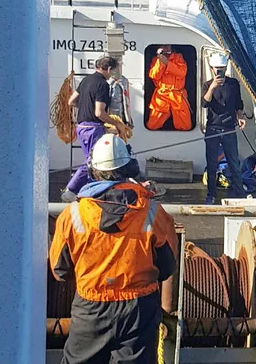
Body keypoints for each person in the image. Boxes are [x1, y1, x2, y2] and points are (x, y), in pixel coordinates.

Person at [50, 133, 177, 364]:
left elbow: (60, 270)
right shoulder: (152, 212)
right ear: (129, 167)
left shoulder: (73, 214)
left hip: (90, 309)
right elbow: (167, 267)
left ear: (93, 170)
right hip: (139, 310)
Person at [65, 56, 125, 200]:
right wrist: (117, 124)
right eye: (112, 71)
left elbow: (71, 101)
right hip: (93, 127)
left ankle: (88, 192)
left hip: (81, 126)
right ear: (109, 69)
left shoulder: (86, 80)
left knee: (92, 161)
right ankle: (71, 190)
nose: (111, 74)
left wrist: (86, 107)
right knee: (96, 162)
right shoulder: (103, 84)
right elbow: (99, 112)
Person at [201, 54, 246, 204]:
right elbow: (204, 104)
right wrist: (213, 87)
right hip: (213, 128)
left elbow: (238, 104)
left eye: (221, 69)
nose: (218, 72)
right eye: (216, 70)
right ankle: (211, 194)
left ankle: (240, 193)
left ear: (225, 69)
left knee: (234, 162)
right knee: (212, 163)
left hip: (229, 128)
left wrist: (240, 117)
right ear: (212, 69)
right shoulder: (208, 85)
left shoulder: (233, 84)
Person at [146, 45, 191, 131]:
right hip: (162, 95)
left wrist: (167, 63)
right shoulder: (156, 60)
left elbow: (182, 73)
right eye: (163, 46)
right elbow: (154, 75)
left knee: (185, 125)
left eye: (167, 46)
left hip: (177, 95)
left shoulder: (178, 57)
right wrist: (160, 61)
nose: (165, 49)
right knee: (152, 124)